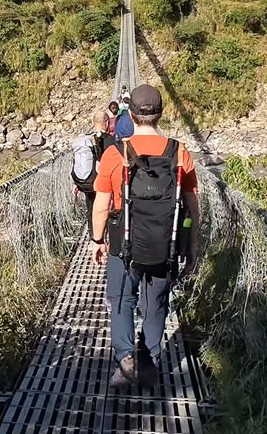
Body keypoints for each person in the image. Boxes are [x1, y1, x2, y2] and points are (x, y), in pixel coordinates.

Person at [91, 84, 201, 389]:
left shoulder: (115, 153)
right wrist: (191, 250)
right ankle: (149, 363)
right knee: (156, 306)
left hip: (123, 248)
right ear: (161, 113)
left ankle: (126, 360)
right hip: (166, 247)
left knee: (122, 302)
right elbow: (193, 207)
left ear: (131, 115)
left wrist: (97, 240)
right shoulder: (180, 152)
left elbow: (101, 204)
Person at [71, 110, 116, 236]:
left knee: (91, 208)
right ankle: (105, 234)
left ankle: (93, 235)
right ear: (107, 123)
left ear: (93, 122)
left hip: (89, 180)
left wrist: (75, 183)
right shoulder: (112, 140)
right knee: (105, 207)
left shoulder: (87, 140)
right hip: (105, 181)